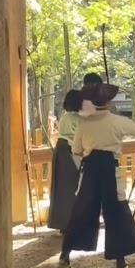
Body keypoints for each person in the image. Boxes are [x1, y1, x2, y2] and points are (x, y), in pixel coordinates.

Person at [59, 82, 135, 268]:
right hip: (109, 168)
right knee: (116, 210)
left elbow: (76, 149)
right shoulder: (117, 121)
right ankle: (120, 259)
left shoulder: (85, 123)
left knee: (82, 210)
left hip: (90, 167)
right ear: (110, 102)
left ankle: (65, 255)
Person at [47, 90, 84, 232]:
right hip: (71, 153)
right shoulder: (78, 119)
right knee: (75, 189)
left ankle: (63, 224)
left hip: (60, 152)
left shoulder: (65, 117)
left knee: (62, 191)